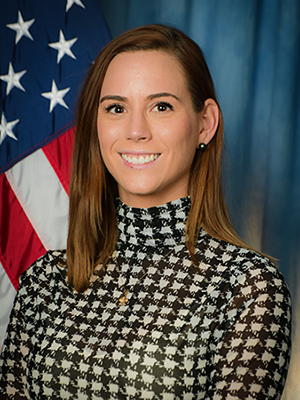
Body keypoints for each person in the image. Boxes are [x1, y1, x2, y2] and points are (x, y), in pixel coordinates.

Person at [0, 24, 291, 399]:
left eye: (162, 106)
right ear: (96, 125)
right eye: (117, 108)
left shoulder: (248, 289)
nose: (136, 130)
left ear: (206, 123)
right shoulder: (43, 283)